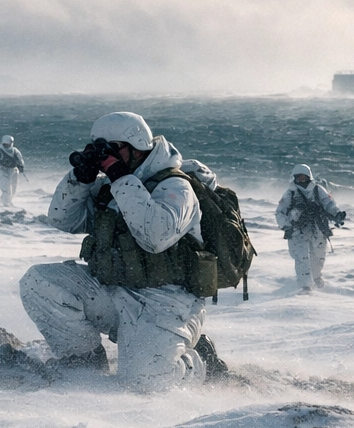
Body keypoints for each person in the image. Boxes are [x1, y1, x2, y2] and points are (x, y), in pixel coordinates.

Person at [19, 111, 219, 391]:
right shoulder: (112, 187)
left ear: (136, 148)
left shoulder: (176, 188)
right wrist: (80, 179)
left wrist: (121, 178)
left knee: (145, 383)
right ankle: (84, 361)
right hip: (114, 290)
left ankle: (202, 362)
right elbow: (62, 220)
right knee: (38, 282)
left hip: (167, 302)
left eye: (112, 149)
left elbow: (155, 237)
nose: (105, 159)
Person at [276, 164, 345, 291]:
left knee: (318, 255)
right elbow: (280, 212)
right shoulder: (290, 193)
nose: (301, 180)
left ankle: (317, 277)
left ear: (309, 177)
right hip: (297, 229)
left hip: (317, 227)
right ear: (294, 178)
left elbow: (329, 203)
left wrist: (337, 214)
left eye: (304, 177)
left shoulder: (318, 190)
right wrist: (286, 226)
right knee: (302, 257)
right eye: (298, 178)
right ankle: (305, 286)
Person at [0, 134, 24, 206]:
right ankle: (6, 204)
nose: (6, 146)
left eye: (8, 144)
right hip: (2, 170)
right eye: (5, 144)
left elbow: (20, 160)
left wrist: (21, 167)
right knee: (6, 188)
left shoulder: (15, 151)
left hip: (13, 170)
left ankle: (7, 200)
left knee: (13, 189)